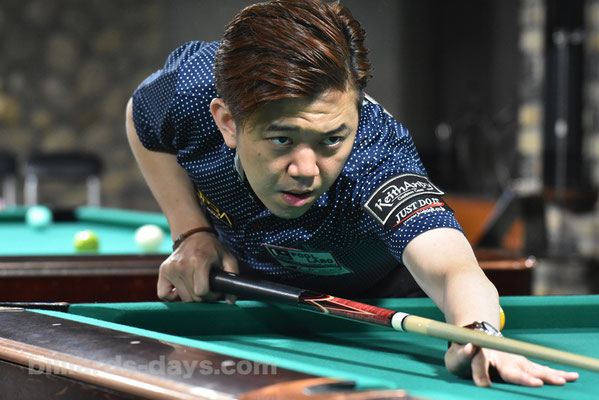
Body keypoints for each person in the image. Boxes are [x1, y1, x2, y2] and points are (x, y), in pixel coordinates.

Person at [126, 0, 578, 388]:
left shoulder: (377, 158)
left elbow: (451, 267)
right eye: (282, 139)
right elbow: (139, 116)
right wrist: (192, 233)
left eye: (331, 139)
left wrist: (479, 332)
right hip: (252, 305)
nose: (306, 170)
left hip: (374, 301)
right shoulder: (188, 92)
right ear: (227, 122)